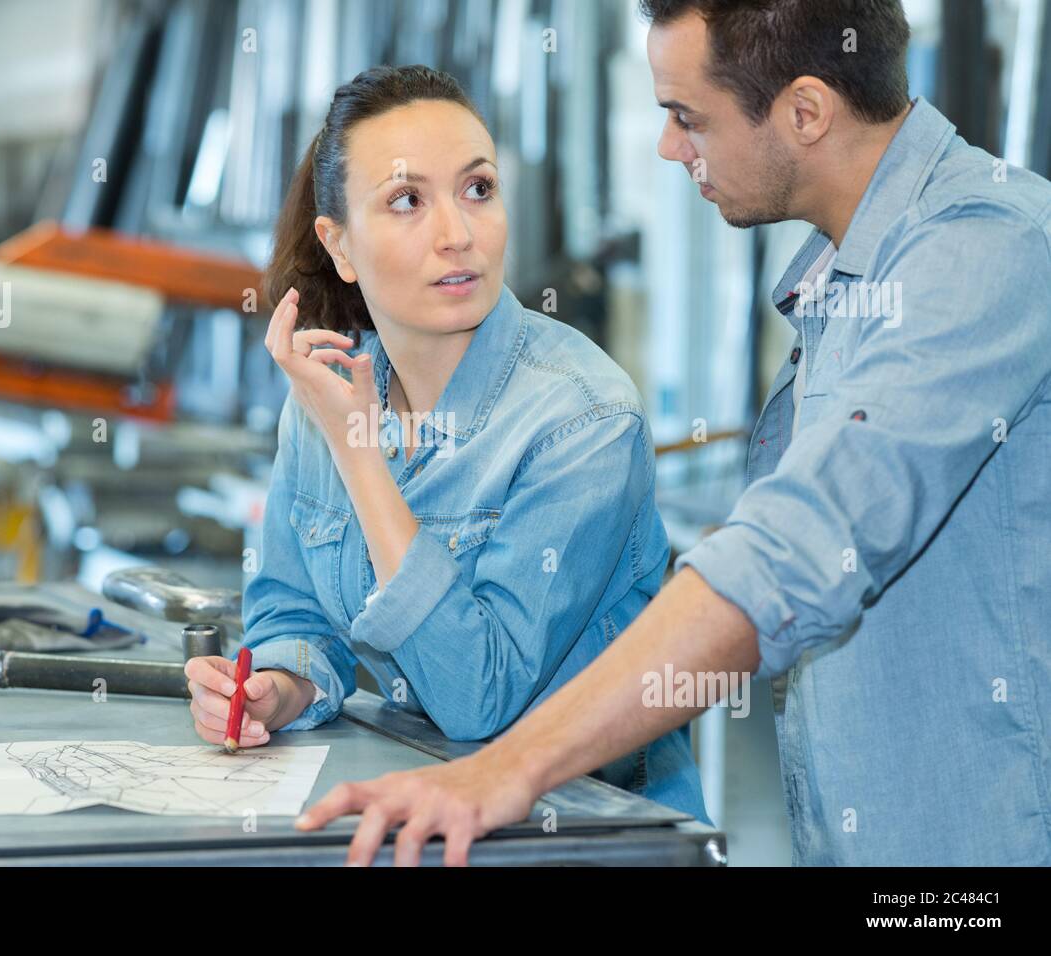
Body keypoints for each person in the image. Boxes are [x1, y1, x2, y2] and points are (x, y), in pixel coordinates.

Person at [295, 0, 1051, 866]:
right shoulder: (846, 279)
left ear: (805, 112)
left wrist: (507, 769)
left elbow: (792, 551)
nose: (668, 146)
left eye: (688, 117)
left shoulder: (983, 253)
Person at [182, 64, 709, 822]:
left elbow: (480, 697)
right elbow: (294, 617)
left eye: (478, 189)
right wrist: (278, 688)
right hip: (421, 814)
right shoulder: (326, 398)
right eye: (407, 201)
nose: (457, 234)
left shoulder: (584, 420)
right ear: (340, 246)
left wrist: (360, 455)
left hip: (584, 833)